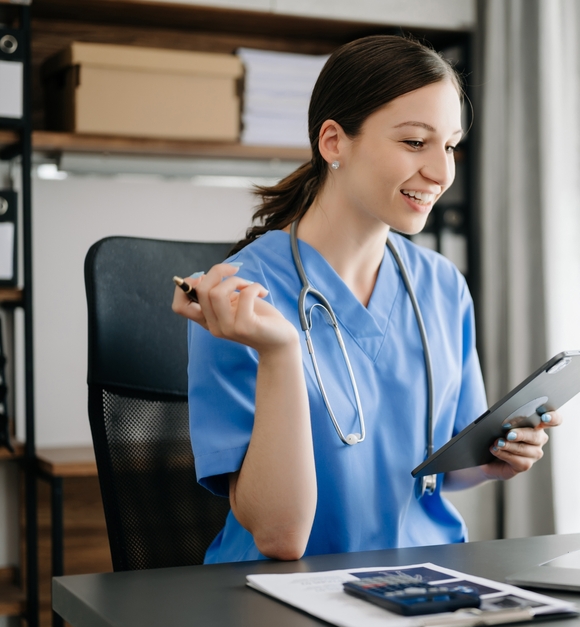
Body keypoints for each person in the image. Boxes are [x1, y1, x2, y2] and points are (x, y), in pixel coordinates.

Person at [171, 35, 560, 563]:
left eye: (449, 145)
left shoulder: (442, 285)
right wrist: (281, 352)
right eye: (415, 142)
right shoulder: (238, 299)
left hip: (425, 580)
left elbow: (439, 467)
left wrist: (496, 457)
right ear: (333, 142)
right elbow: (279, 539)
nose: (442, 173)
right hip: (283, 595)